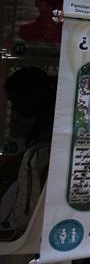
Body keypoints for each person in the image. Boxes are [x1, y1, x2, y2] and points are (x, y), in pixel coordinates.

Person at [0, 68, 54, 238]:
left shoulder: (52, 125)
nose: (15, 108)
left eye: (17, 101)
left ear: (37, 94)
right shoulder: (41, 124)